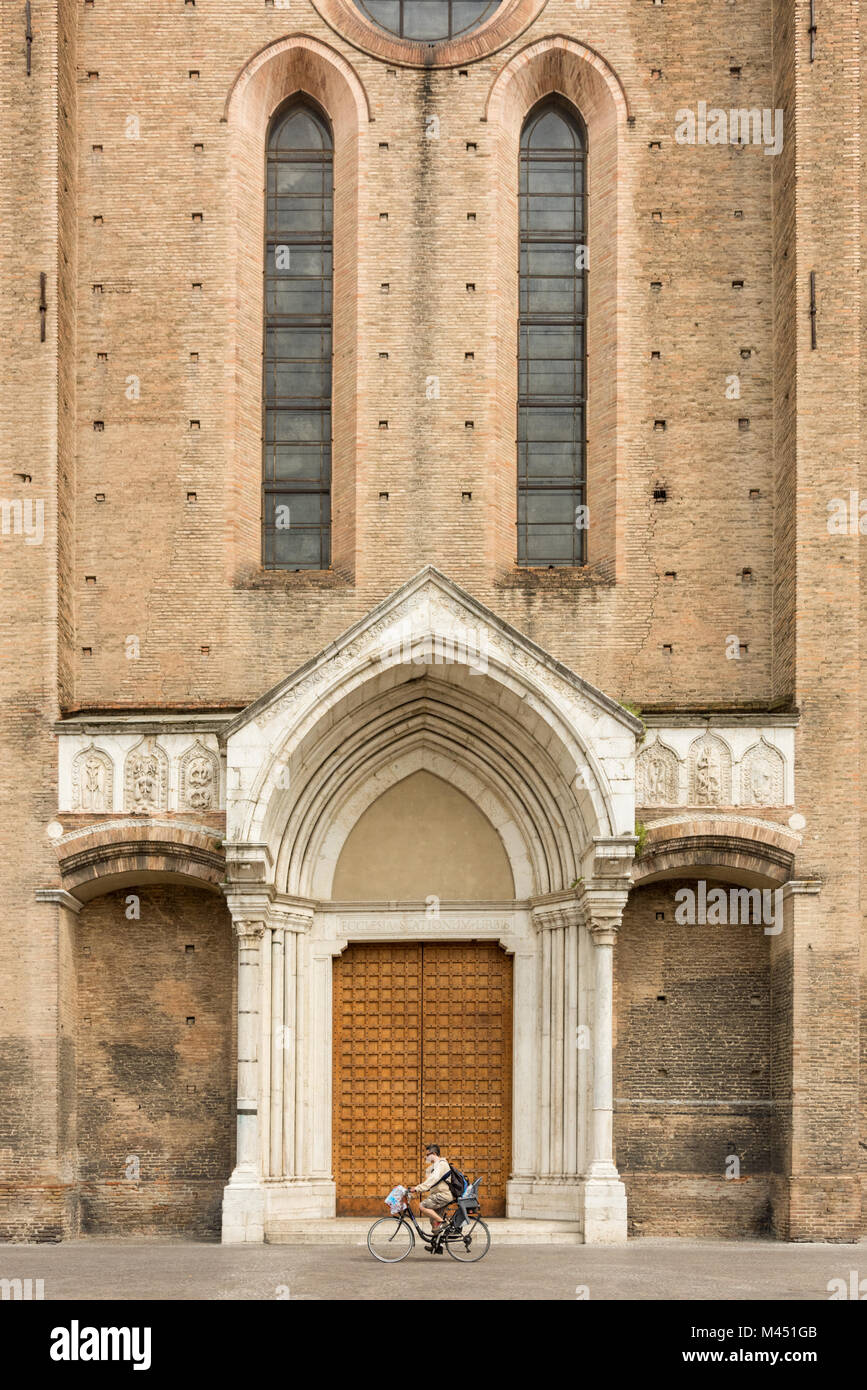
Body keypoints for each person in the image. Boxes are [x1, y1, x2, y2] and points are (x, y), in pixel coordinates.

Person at [412, 1143, 452, 1233]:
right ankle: (437, 1246)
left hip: (443, 1195)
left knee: (422, 1206)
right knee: (434, 1222)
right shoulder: (435, 1166)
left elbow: (432, 1180)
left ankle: (444, 1222)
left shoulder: (441, 1164)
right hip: (438, 1195)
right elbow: (431, 1182)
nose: (426, 1157)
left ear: (434, 1154)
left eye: (427, 1155)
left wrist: (417, 1188)